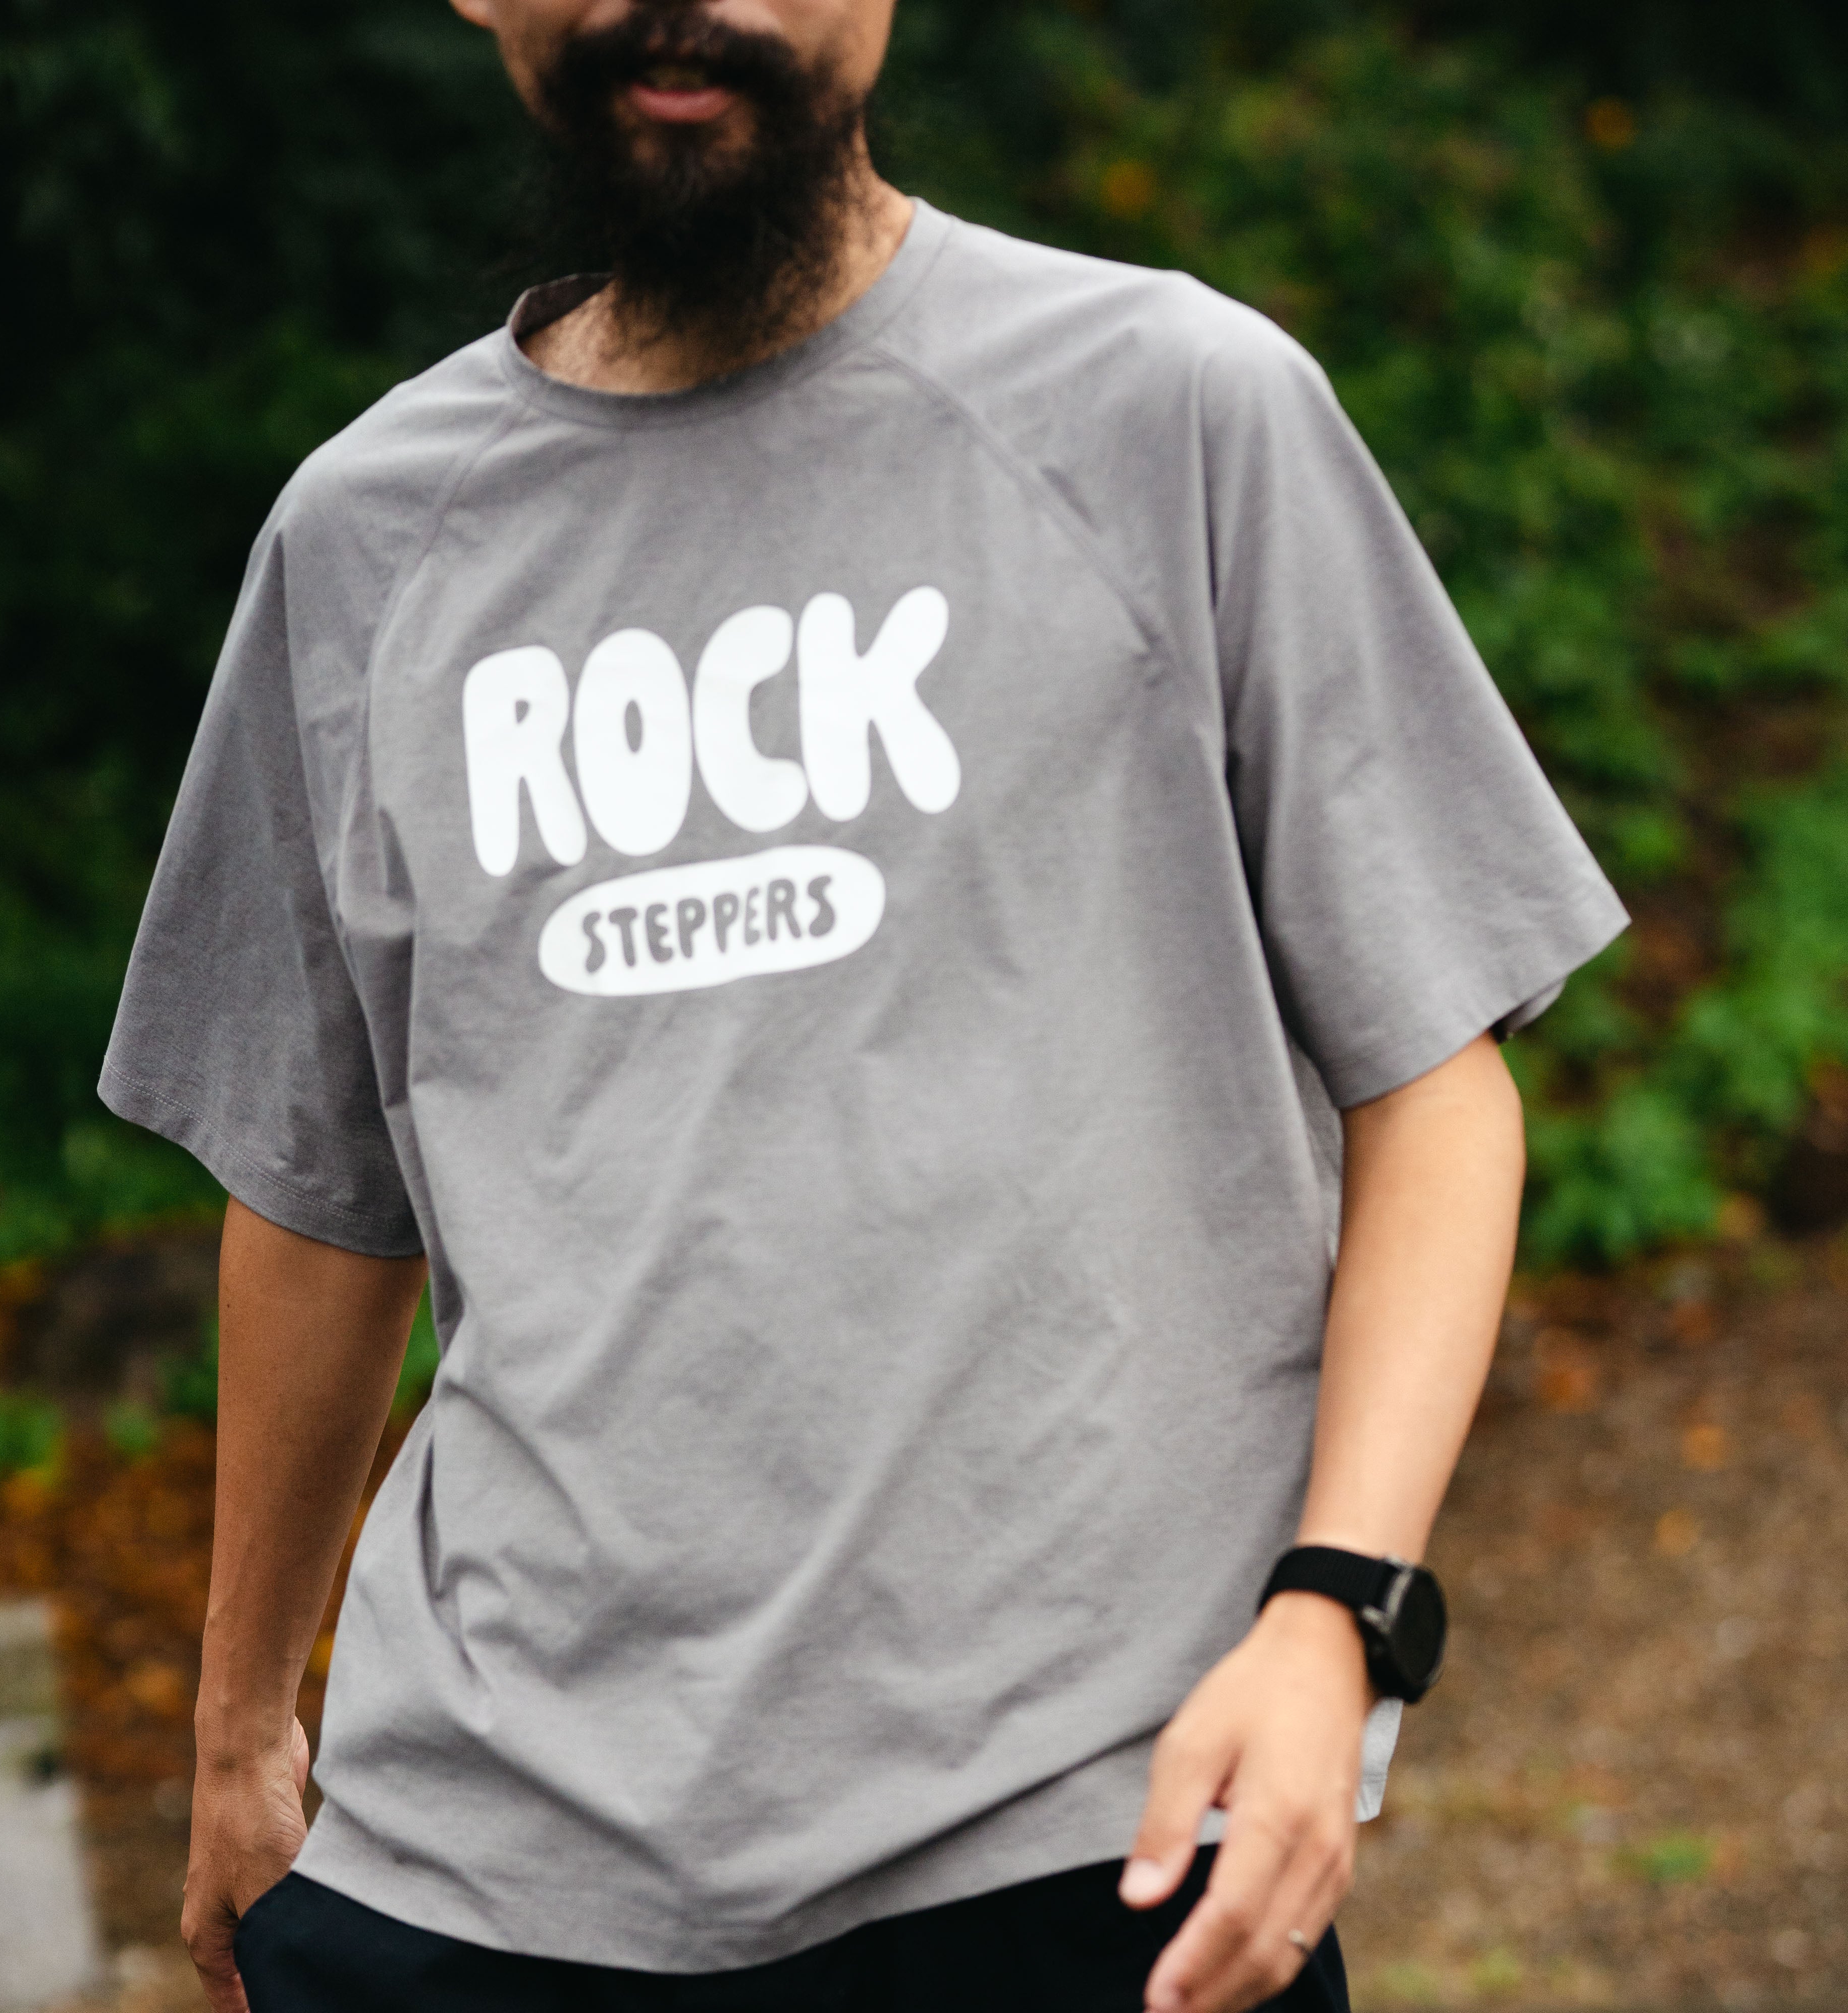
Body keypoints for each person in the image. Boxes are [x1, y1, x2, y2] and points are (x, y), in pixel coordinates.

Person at [99, 3, 1629, 2009]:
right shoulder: (363, 536)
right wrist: (242, 1728)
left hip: (1083, 1840)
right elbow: (318, 1198)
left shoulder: (1172, 408)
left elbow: (1433, 1076)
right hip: (476, 1878)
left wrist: (1335, 1613)